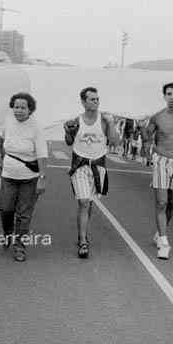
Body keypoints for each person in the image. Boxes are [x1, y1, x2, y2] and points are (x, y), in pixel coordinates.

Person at [0, 92, 48, 262]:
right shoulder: (9, 121)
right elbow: (1, 137)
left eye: (23, 107)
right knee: (5, 209)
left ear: (30, 110)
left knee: (24, 214)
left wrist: (42, 178)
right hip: (8, 176)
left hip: (29, 178)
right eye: (16, 107)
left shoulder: (36, 128)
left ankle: (19, 247)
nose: (19, 110)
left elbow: (42, 154)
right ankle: (8, 233)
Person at [63, 87, 120, 258]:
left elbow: (115, 141)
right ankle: (83, 241)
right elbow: (69, 142)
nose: (96, 102)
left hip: (98, 167)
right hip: (80, 166)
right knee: (83, 202)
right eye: (92, 99)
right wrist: (67, 131)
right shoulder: (76, 120)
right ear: (83, 102)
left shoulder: (104, 120)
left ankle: (83, 232)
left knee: (89, 203)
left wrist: (111, 123)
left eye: (97, 99)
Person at [142, 82, 173, 259]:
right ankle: (164, 243)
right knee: (161, 203)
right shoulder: (157, 116)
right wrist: (142, 127)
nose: (172, 97)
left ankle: (160, 232)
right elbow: (147, 137)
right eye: (169, 94)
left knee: (172, 204)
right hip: (161, 160)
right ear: (164, 96)